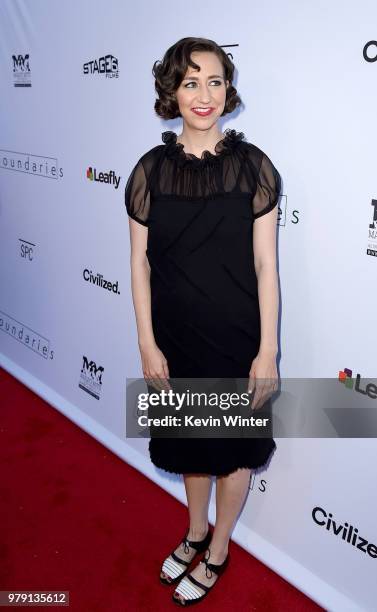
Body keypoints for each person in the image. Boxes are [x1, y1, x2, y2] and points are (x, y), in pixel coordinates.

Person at [125, 36, 281, 607]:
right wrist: (146, 341)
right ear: (171, 91)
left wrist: (267, 351)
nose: (204, 94)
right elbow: (139, 265)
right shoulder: (149, 172)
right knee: (192, 447)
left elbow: (266, 266)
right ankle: (193, 530)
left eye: (214, 81)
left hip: (237, 340)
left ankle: (218, 548)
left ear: (227, 90)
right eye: (191, 82)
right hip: (176, 341)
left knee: (232, 450)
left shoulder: (254, 168)